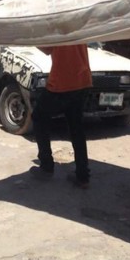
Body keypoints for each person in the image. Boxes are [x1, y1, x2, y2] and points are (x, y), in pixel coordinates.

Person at [29, 45, 92, 189]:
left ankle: (46, 167)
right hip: (82, 80)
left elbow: (47, 49)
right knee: (77, 128)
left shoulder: (57, 25)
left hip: (62, 82)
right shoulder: (79, 23)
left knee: (39, 117)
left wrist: (31, 37)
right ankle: (83, 177)